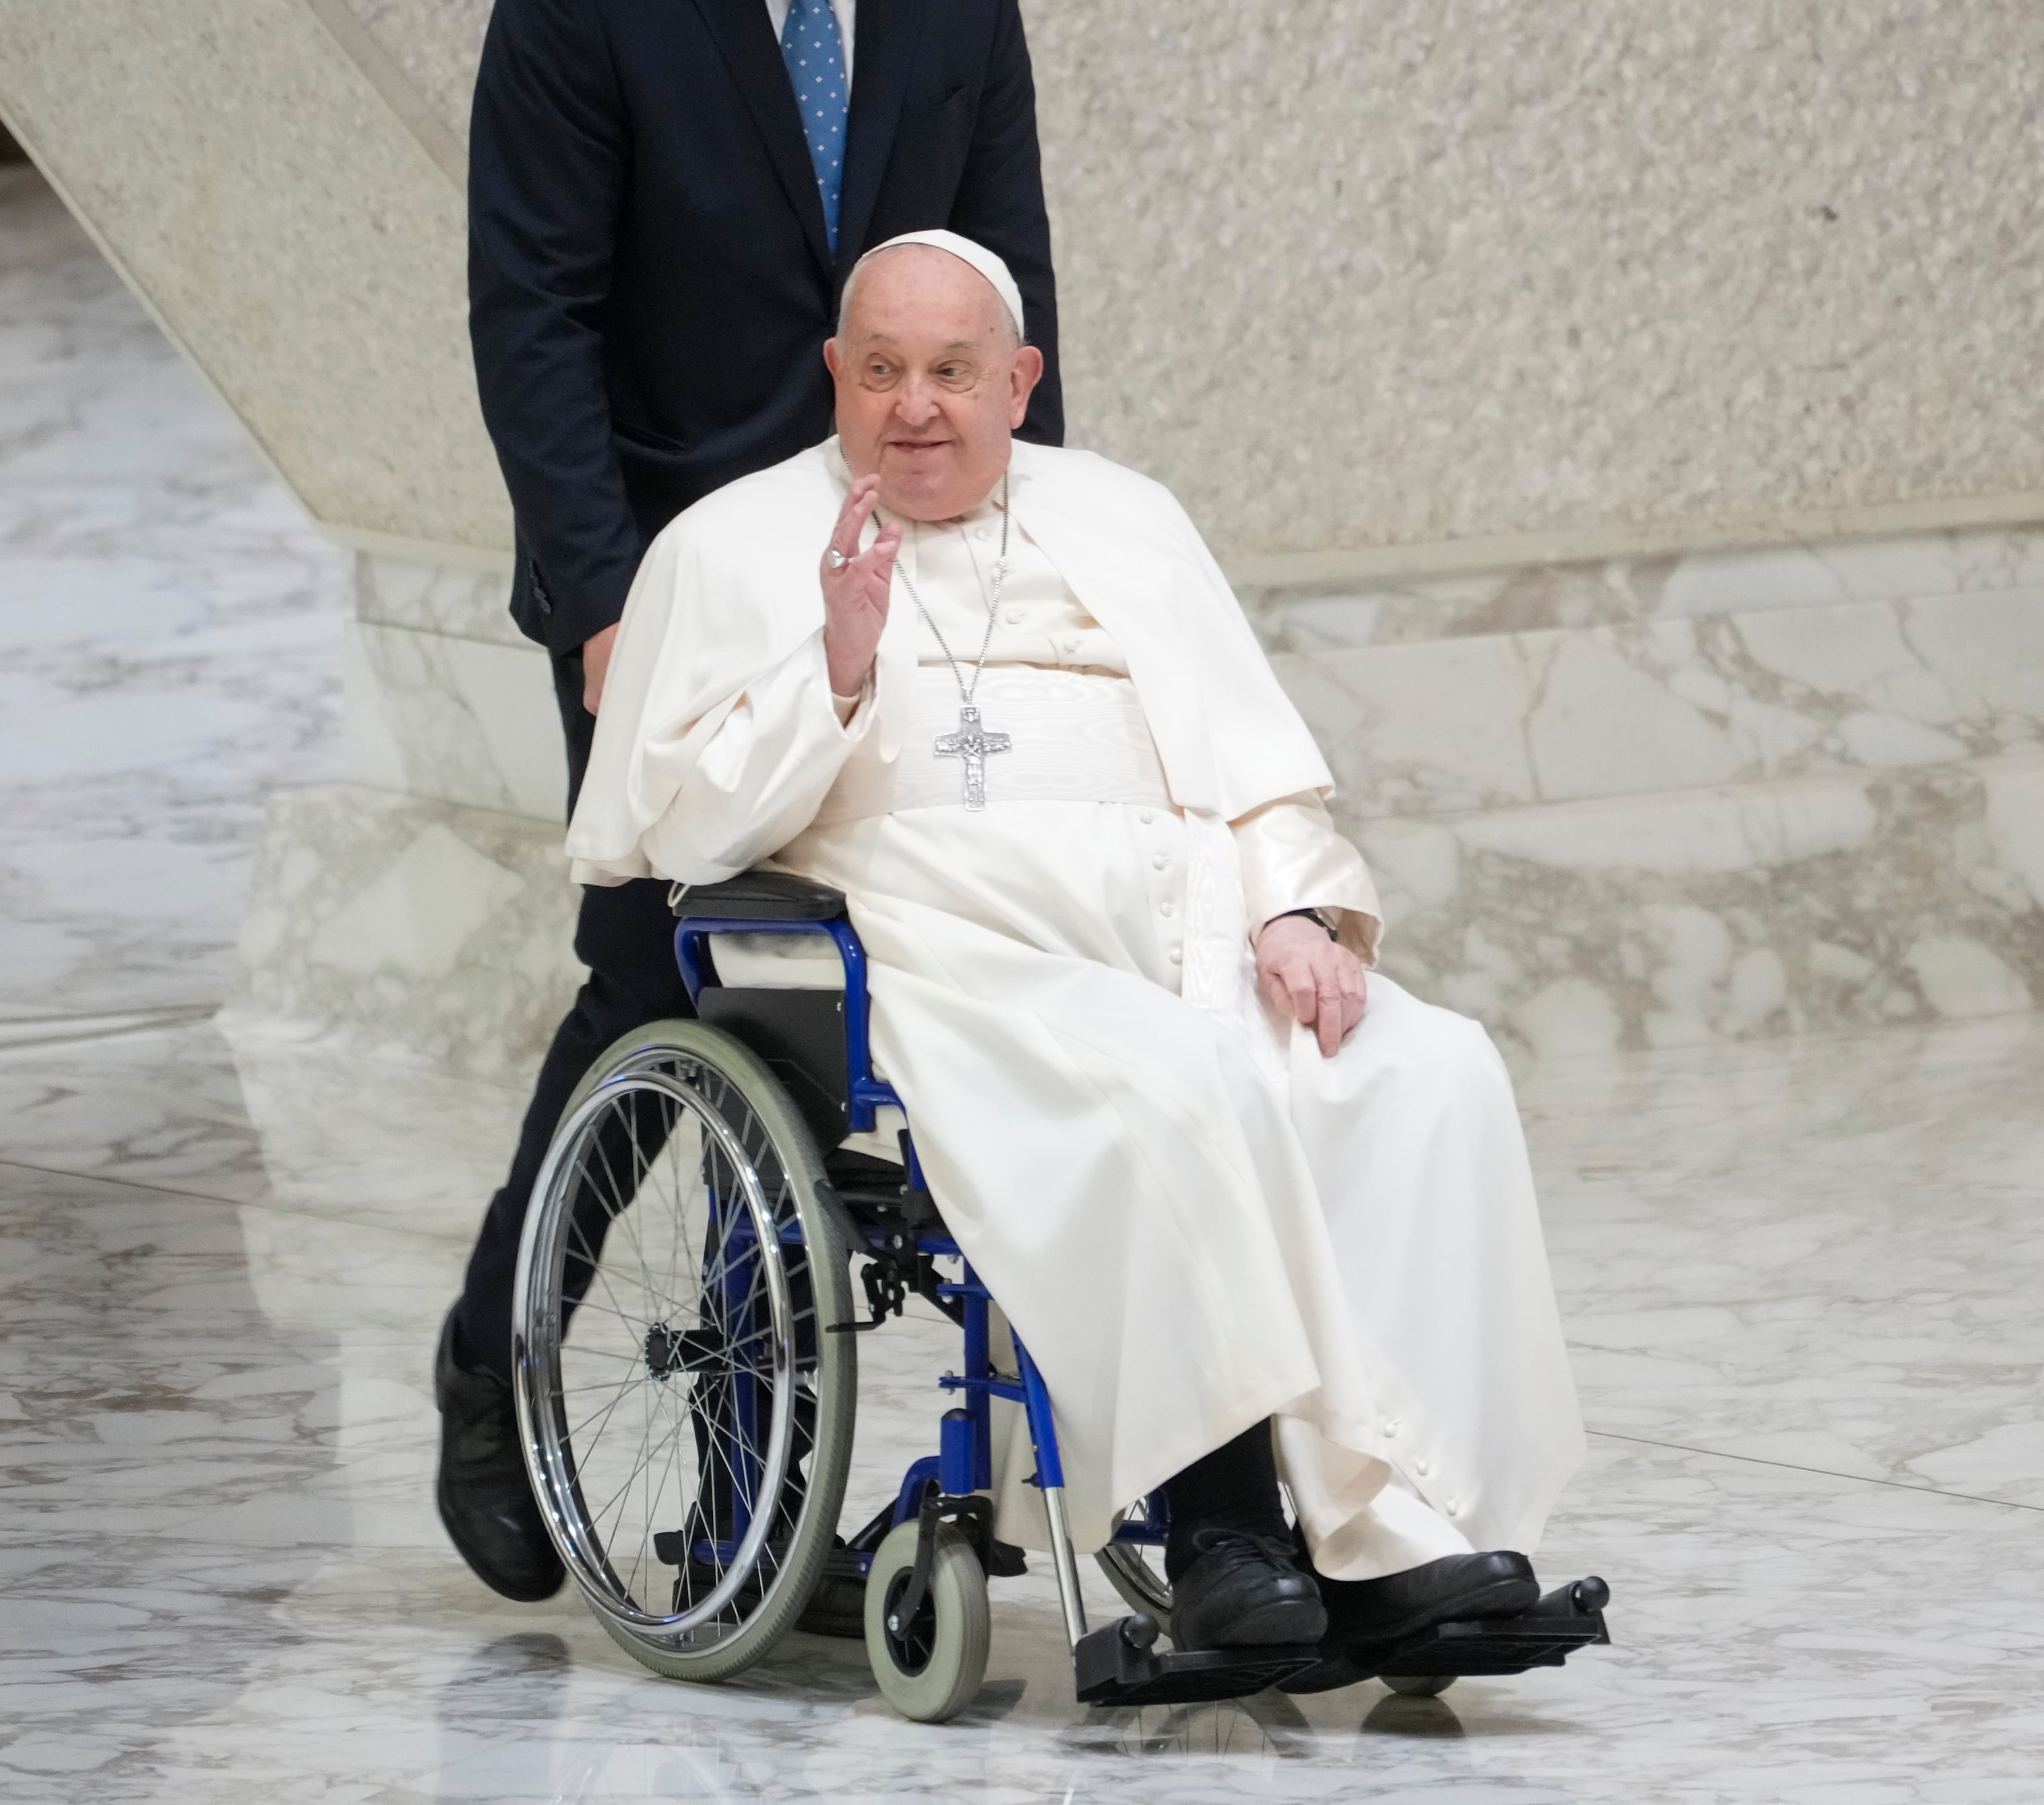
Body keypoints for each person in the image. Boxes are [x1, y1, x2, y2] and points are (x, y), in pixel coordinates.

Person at [565, 232, 1584, 1655]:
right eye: (881, 371)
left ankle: (1402, 1521)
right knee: (1172, 1086)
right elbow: (677, 828)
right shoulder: (732, 543)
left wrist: (1288, 904)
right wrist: (836, 662)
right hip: (940, 955)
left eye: (951, 371)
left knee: (1425, 1070)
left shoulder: (1126, 514)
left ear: (1019, 380)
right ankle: (1228, 1520)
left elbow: (1251, 764)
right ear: (833, 378)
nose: (915, 404)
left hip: (1185, 931)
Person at [441, 0, 1062, 1602]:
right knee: (660, 974)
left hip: (899, 542)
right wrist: (599, 603)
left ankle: (742, 1492)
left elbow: (1004, 289)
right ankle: (497, 1367)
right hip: (676, 569)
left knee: (843, 1001)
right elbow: (530, 312)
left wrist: (1050, 561)